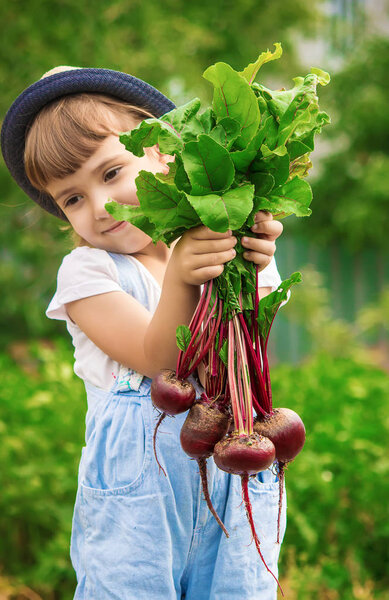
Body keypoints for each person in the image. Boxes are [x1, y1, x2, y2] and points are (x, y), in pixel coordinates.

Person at [1, 66, 286, 600]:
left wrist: (254, 250)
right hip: (140, 513)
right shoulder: (88, 273)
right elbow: (161, 360)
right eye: (72, 199)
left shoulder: (211, 246)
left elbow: (240, 352)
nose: (99, 208)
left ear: (164, 152)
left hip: (235, 477)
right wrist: (181, 274)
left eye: (110, 175)